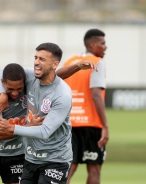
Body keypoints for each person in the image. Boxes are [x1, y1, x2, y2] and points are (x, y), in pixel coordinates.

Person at [0, 42, 96, 184]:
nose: (36, 63)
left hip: (55, 160)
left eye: (42, 59)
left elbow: (45, 131)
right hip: (31, 159)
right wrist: (2, 94)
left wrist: (11, 128)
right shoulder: (30, 76)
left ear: (54, 64)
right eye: (36, 58)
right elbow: (1, 72)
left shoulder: (62, 94)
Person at [0, 63, 44, 184]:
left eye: (19, 89)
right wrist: (30, 127)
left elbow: (53, 76)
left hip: (18, 154)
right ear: (2, 83)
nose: (15, 93)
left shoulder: (31, 90)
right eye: (10, 89)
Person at [56, 28, 109, 184]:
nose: (105, 47)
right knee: (94, 168)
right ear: (92, 45)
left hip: (69, 123)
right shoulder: (97, 62)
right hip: (91, 124)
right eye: (103, 43)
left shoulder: (69, 62)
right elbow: (96, 94)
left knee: (69, 167)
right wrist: (105, 125)